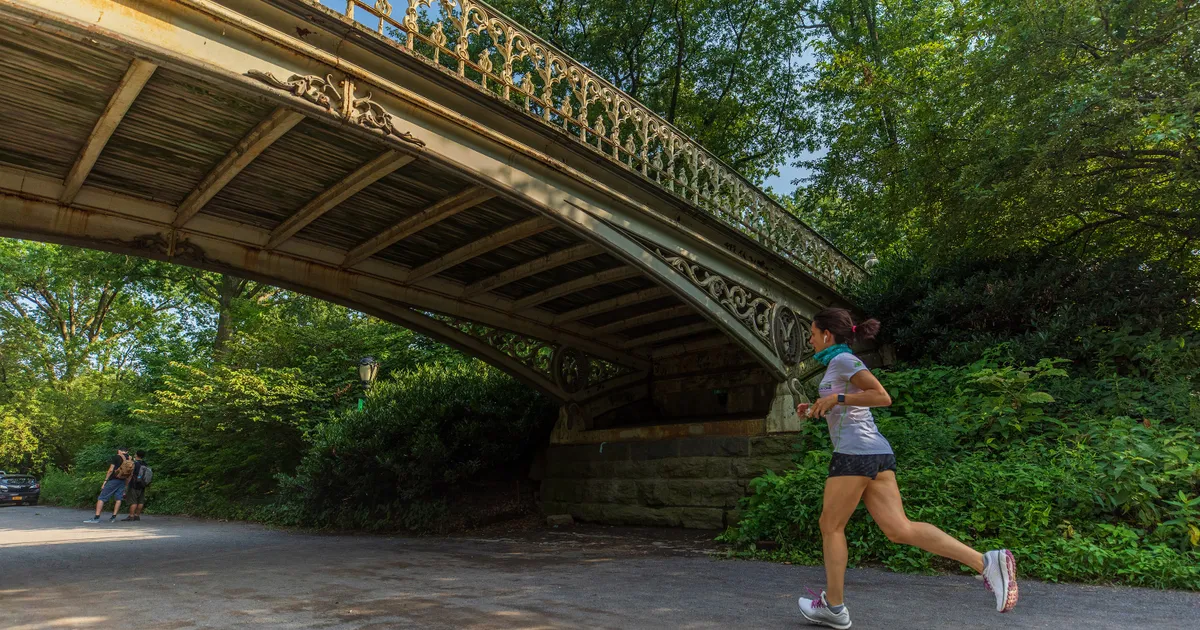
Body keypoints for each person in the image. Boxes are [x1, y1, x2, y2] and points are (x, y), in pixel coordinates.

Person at [795, 308, 1017, 629]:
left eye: (812, 334)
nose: (811, 339)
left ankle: (834, 605)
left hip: (855, 454)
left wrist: (837, 398)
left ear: (827, 335)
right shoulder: (837, 364)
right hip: (874, 453)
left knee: (831, 527)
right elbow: (847, 405)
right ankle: (986, 562)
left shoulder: (843, 361)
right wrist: (819, 406)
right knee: (900, 529)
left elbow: (881, 396)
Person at [84, 447, 132, 524]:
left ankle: (96, 517)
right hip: (123, 480)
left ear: (119, 451)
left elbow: (110, 470)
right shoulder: (130, 459)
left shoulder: (116, 457)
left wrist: (105, 481)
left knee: (102, 497)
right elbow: (130, 474)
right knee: (118, 498)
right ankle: (113, 517)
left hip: (113, 480)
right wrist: (126, 484)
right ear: (127, 451)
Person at [122, 451, 148, 522]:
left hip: (134, 484)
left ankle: (131, 516)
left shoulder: (135, 464)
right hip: (142, 484)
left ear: (136, 455)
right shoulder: (145, 463)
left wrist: (127, 484)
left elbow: (130, 473)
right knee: (141, 501)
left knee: (133, 501)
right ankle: (137, 515)